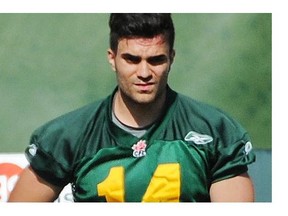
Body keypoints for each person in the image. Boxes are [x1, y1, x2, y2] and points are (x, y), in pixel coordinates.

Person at [8, 13, 256, 202]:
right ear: (112, 58)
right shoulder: (69, 136)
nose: (144, 72)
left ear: (171, 58)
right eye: (132, 59)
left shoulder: (215, 131)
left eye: (156, 60)